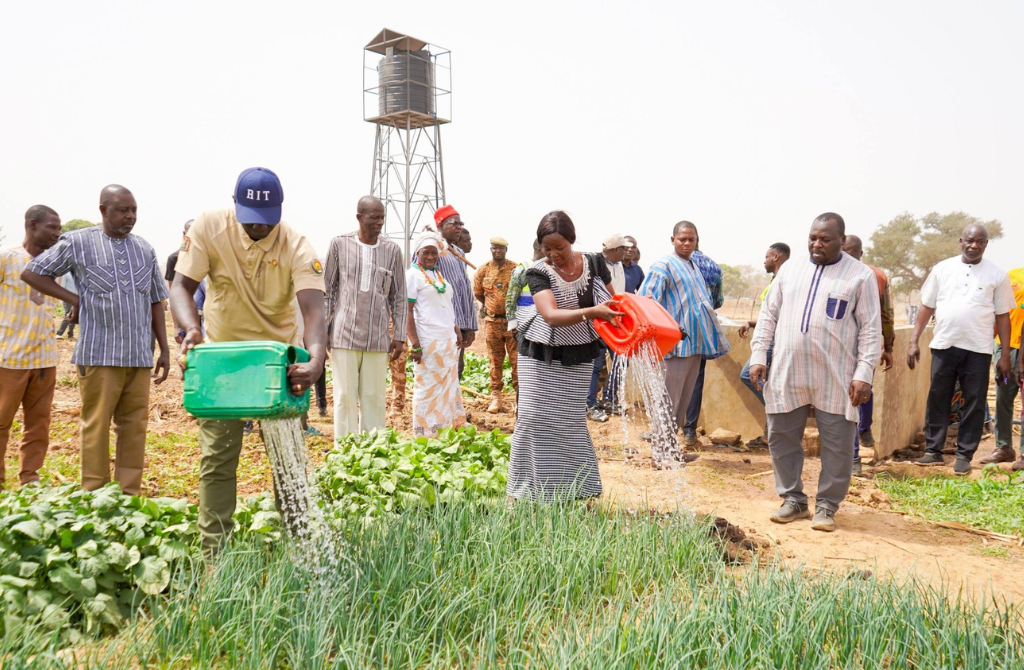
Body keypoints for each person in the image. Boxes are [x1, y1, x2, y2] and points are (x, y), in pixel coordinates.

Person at [169, 166, 327, 555]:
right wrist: (191, 330)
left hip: (276, 366)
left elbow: (314, 311)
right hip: (223, 361)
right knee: (217, 460)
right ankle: (215, 555)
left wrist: (316, 361)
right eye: (250, 220)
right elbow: (181, 287)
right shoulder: (209, 227)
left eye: (266, 221)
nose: (258, 228)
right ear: (235, 205)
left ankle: (300, 551)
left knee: (288, 462)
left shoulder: (297, 246)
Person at [23, 185, 170, 495]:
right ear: (103, 210)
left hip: (138, 355)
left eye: (134, 210)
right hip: (99, 353)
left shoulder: (144, 248)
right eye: (122, 210)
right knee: (97, 425)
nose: (130, 216)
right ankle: (95, 494)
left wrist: (164, 349)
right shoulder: (78, 242)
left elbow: (156, 300)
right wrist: (75, 299)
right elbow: (33, 273)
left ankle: (128, 493)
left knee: (134, 426)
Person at [749, 213, 881, 532]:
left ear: (841, 240)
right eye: (812, 238)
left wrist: (864, 373)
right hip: (788, 369)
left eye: (825, 239)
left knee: (838, 443)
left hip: (836, 374)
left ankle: (827, 505)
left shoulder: (860, 275)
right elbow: (768, 316)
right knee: (781, 435)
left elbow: (870, 329)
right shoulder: (790, 269)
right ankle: (793, 499)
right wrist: (758, 355)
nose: (816, 244)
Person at [508, 211, 622, 502]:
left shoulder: (595, 263)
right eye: (547, 248)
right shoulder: (538, 272)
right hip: (540, 352)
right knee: (531, 418)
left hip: (578, 353)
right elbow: (550, 315)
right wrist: (592, 312)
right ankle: (521, 493)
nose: (553, 255)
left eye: (559, 247)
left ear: (572, 239)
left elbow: (613, 302)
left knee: (569, 421)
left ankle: (575, 491)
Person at [908, 224, 1014, 475]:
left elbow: (1003, 316)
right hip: (944, 344)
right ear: (961, 241)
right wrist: (914, 340)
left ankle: (964, 455)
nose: (974, 245)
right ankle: (933, 451)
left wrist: (1004, 355)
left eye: (980, 241)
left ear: (986, 244)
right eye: (970, 240)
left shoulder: (997, 274)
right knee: (938, 398)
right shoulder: (942, 269)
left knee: (974, 402)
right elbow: (926, 306)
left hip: (978, 348)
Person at [638, 221, 730, 463]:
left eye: (691, 239)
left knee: (681, 401)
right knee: (668, 400)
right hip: (674, 347)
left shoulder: (693, 266)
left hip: (694, 344)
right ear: (673, 240)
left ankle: (671, 450)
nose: (687, 243)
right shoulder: (663, 266)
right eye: (682, 239)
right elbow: (647, 303)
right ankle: (661, 454)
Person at [323, 196, 407, 437]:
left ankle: (372, 450)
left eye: (382, 217)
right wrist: (323, 328)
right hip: (344, 334)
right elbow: (327, 291)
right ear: (359, 218)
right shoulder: (339, 245)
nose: (380, 222)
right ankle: (345, 449)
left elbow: (399, 296)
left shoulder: (392, 250)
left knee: (374, 398)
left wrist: (399, 335)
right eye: (374, 218)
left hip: (377, 337)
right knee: (344, 397)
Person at [0, 205, 63, 489]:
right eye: (52, 227)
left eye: (59, 228)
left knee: (39, 424)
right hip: (9, 357)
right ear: (32, 225)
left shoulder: (53, 264)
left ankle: (30, 477)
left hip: (45, 358)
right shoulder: (7, 257)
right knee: (2, 422)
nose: (57, 233)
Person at [842, 234, 895, 475]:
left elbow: (887, 313)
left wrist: (889, 346)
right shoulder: (835, 273)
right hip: (847, 347)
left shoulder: (874, 276)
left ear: (860, 254)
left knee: (859, 393)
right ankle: (859, 441)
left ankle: (858, 444)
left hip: (863, 345)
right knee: (855, 395)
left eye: (850, 252)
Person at [407, 232, 467, 436]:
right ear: (417, 253)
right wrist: (414, 343)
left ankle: (445, 430)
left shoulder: (437, 275)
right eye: (426, 252)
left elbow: (444, 305)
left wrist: (455, 327)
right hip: (428, 339)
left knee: (448, 385)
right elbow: (407, 311)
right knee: (428, 388)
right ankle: (425, 433)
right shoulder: (413, 275)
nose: (431, 257)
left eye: (434, 253)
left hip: (447, 339)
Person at [738, 242, 790, 447]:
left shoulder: (785, 280)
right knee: (764, 380)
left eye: (767, 257)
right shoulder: (776, 280)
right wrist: (751, 323)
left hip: (773, 339)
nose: (764, 261)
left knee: (748, 375)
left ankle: (779, 411)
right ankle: (771, 431)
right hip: (770, 335)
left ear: (776, 257)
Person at [681, 233, 725, 447]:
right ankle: (689, 431)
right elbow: (718, 301)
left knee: (669, 377)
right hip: (702, 329)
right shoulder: (713, 267)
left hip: (677, 328)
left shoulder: (673, 263)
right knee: (696, 379)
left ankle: (663, 429)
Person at [979, 265, 1024, 466]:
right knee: (1003, 398)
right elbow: (998, 312)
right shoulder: (1011, 276)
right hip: (1007, 348)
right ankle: (1004, 447)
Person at [587, 234, 633, 421]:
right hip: (599, 321)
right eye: (623, 248)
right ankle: (590, 404)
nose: (626, 251)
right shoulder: (596, 265)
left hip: (616, 320)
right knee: (596, 364)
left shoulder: (620, 265)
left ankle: (608, 398)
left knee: (622, 360)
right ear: (615, 250)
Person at [473, 236, 518, 413]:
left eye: (500, 248)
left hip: (512, 322)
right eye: (494, 248)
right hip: (492, 322)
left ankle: (520, 398)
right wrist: (491, 306)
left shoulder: (515, 269)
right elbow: (478, 293)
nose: (497, 251)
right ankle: (496, 398)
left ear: (506, 250)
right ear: (490, 249)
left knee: (516, 360)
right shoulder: (483, 270)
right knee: (494, 360)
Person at [433, 206, 477, 379]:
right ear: (440, 226)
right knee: (442, 370)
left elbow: (465, 291)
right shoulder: (433, 250)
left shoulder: (458, 253)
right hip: (443, 324)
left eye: (461, 224)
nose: (459, 227)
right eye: (454, 223)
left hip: (461, 323)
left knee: (457, 368)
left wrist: (469, 327)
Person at [505, 239, 544, 332]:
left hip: (545, 323)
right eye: (548, 248)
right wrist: (512, 322)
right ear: (538, 248)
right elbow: (511, 298)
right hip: (526, 322)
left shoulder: (551, 268)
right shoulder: (523, 269)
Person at [55, 272, 77, 339]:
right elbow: (62, 287)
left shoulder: (76, 275)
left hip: (75, 298)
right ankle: (59, 333)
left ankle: (70, 334)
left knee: (74, 315)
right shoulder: (66, 275)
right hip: (67, 298)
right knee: (68, 315)